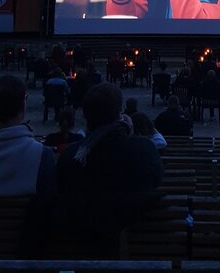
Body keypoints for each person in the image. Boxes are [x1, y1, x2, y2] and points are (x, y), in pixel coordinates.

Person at [56, 83, 163, 256]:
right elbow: (154, 178)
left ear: (85, 115)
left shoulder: (71, 156)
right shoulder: (143, 149)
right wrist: (130, 136)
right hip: (140, 242)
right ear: (119, 113)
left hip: (78, 245)